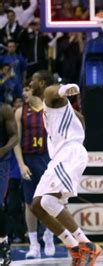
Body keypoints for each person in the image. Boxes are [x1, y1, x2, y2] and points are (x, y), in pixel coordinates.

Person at [28, 71, 101, 265]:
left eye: (33, 81)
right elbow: (80, 118)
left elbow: (54, 91)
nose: (30, 83)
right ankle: (74, 247)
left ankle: (87, 245)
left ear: (41, 82)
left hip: (69, 154)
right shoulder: (55, 106)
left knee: (49, 202)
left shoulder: (50, 95)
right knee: (37, 204)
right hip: (61, 156)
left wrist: (65, 89)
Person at [13, 85, 55, 259]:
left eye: (28, 89)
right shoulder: (19, 112)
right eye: (23, 90)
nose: (24, 93)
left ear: (36, 90)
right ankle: (34, 244)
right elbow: (16, 140)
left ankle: (49, 235)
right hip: (29, 158)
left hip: (47, 158)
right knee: (30, 204)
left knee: (50, 199)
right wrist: (21, 164)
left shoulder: (50, 109)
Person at [0, 101, 19, 266]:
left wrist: (3, 149)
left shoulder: (4, 109)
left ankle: (3, 243)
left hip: (1, 161)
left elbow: (15, 136)